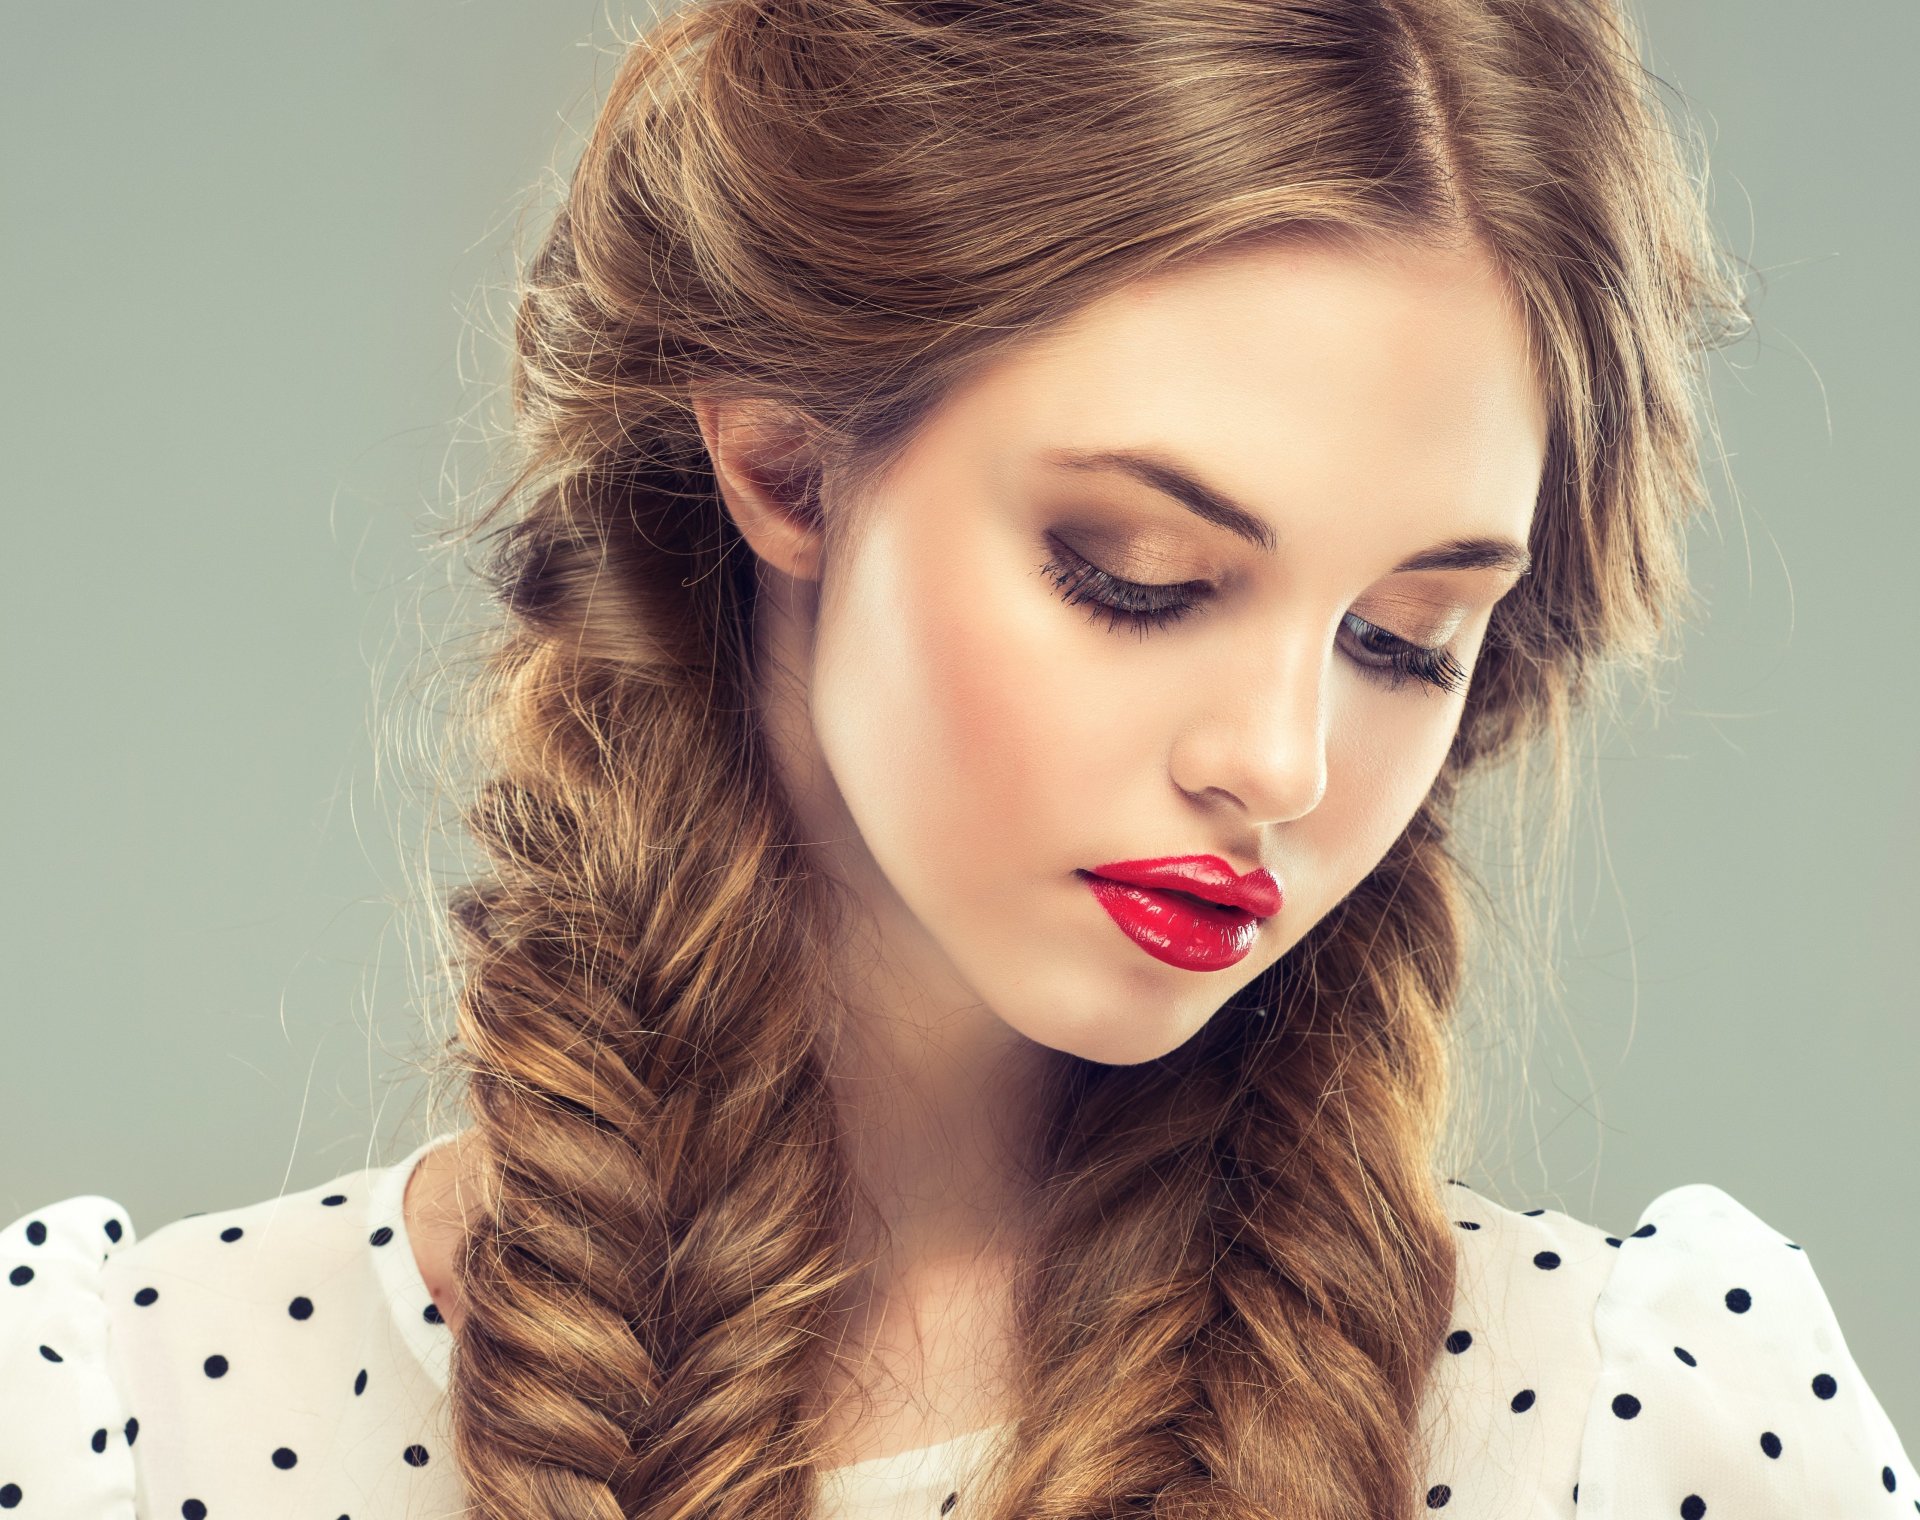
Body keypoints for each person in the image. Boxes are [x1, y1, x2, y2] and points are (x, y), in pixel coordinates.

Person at [2, 0, 1913, 1515]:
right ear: (778, 456)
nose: (1280, 761)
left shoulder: (1634, 1429)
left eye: (1404, 637)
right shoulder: (129, 1417)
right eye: (1139, 577)